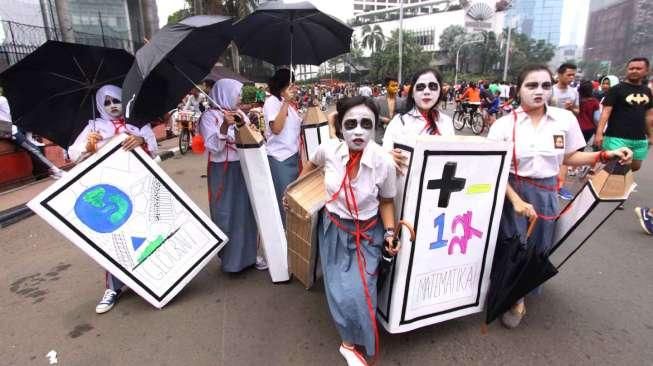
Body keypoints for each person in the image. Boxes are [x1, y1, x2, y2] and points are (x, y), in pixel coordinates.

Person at [487, 65, 632, 329]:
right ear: (518, 90)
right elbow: (493, 170)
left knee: (539, 246)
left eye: (545, 85)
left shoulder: (564, 120)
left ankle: (525, 288)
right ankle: (514, 297)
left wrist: (603, 155)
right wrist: (516, 200)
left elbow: (570, 157)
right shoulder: (503, 125)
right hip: (511, 193)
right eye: (531, 86)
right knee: (513, 243)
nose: (539, 91)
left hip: (545, 193)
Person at [297, 96, 397, 365]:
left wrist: (389, 233)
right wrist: (297, 190)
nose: (359, 131)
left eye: (367, 124)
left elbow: (387, 202)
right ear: (340, 127)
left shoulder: (383, 163)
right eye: (351, 124)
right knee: (339, 292)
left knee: (361, 293)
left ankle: (357, 338)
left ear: (375, 128)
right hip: (334, 230)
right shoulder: (328, 150)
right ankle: (348, 344)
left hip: (367, 235)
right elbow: (311, 165)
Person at [67, 84, 157, 314]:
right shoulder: (94, 127)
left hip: (140, 186)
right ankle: (113, 287)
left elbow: (154, 149)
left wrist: (141, 141)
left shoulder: (137, 122)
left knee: (147, 231)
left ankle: (151, 277)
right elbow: (73, 154)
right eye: (106, 102)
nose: (112, 106)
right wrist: (89, 145)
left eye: (116, 100)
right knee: (114, 237)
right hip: (111, 193)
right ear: (99, 105)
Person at [198, 78, 263, 273]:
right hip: (222, 170)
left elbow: (250, 136)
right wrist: (225, 127)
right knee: (225, 213)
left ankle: (251, 256)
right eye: (237, 94)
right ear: (224, 94)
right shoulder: (208, 117)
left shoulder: (239, 113)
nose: (240, 98)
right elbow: (213, 147)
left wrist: (246, 125)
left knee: (247, 211)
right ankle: (230, 261)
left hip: (243, 165)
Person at [383, 68, 455, 173]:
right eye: (420, 87)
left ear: (440, 92)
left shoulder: (446, 122)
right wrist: (387, 156)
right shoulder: (399, 122)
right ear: (412, 93)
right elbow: (384, 153)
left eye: (433, 86)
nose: (427, 92)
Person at [595, 57, 653, 172]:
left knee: (635, 167)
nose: (634, 71)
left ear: (647, 71)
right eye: (631, 68)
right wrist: (599, 133)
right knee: (614, 169)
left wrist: (651, 135)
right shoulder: (616, 89)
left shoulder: (647, 91)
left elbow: (649, 115)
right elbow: (606, 112)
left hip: (639, 139)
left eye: (638, 68)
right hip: (616, 137)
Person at [263, 69, 301, 229]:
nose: (295, 87)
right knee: (286, 204)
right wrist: (286, 102)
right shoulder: (272, 102)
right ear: (283, 85)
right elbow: (277, 128)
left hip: (293, 158)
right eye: (292, 84)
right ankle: (286, 240)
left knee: (294, 202)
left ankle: (294, 237)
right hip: (280, 160)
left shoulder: (288, 105)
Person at [0, 94, 63, 179]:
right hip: (7, 129)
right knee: (33, 149)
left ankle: (29, 137)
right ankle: (56, 171)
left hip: (6, 128)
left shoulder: (2, 100)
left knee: (26, 126)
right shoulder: (2, 99)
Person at [550, 63, 579, 200]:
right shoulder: (550, 90)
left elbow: (578, 111)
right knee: (552, 157)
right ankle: (549, 185)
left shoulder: (574, 92)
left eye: (573, 75)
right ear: (560, 74)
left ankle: (559, 187)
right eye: (569, 74)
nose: (572, 77)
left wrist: (572, 107)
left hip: (565, 130)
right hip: (550, 128)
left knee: (564, 157)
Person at [374, 76, 405, 145]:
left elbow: (405, 117)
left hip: (396, 135)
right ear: (387, 87)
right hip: (380, 134)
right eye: (393, 86)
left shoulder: (402, 101)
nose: (396, 88)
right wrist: (382, 119)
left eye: (397, 86)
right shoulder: (378, 100)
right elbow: (373, 115)